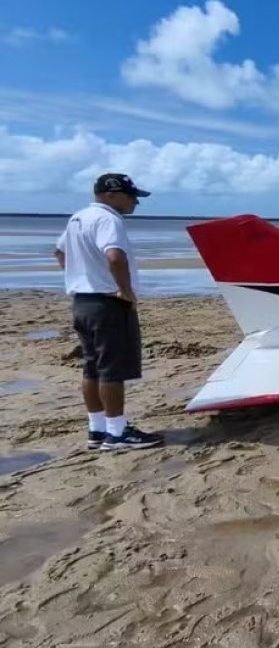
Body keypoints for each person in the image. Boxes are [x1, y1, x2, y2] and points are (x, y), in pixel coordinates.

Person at [54, 173, 164, 451]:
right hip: (107, 304)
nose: (136, 202)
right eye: (132, 196)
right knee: (111, 369)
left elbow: (59, 253)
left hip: (82, 301)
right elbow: (115, 257)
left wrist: (81, 275)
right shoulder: (108, 219)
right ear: (111, 194)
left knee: (92, 367)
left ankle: (97, 429)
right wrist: (125, 292)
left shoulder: (78, 218)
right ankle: (116, 433)